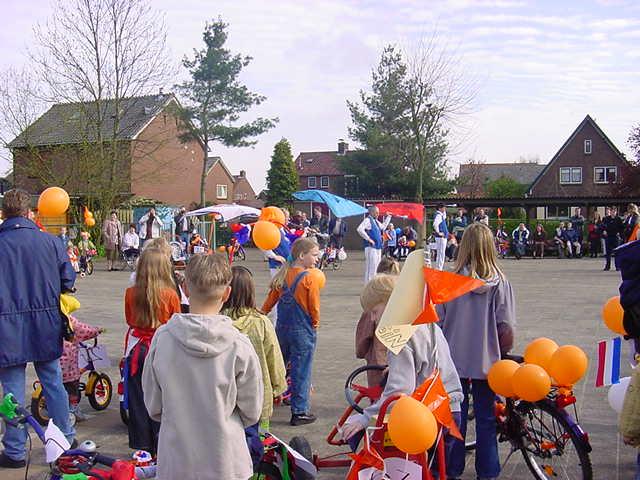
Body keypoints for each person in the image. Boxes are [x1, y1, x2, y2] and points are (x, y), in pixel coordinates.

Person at [142, 254, 263, 480]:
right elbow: (252, 410)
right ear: (227, 293)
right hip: (225, 461)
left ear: (185, 288)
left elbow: (153, 405)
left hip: (176, 462)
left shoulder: (163, 339)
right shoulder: (239, 346)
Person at [0, 189, 76, 468]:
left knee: (12, 389)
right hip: (45, 323)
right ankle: (65, 439)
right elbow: (68, 280)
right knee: (53, 382)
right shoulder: (51, 242)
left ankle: (16, 450)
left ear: (5, 213)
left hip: (6, 325)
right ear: (29, 212)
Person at [438, 222, 516, 480]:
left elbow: (437, 321)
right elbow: (505, 327)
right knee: (486, 418)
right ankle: (488, 471)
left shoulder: (448, 282)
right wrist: (502, 351)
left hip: (452, 359)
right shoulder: (500, 283)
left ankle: (452, 468)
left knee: (454, 418)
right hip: (487, 360)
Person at [124, 248, 181, 454]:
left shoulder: (131, 293)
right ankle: (162, 443)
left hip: (137, 349)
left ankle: (141, 445)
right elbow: (176, 321)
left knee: (138, 398)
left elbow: (129, 320)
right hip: (163, 348)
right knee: (164, 399)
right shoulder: (171, 295)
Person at [262, 238, 323, 426]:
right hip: (303, 330)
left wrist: (262, 314)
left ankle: (267, 402)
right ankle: (299, 410)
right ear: (302, 255)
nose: (317, 258)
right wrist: (315, 323)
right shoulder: (309, 277)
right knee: (301, 370)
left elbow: (270, 301)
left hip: (282, 328)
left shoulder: (282, 275)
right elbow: (314, 306)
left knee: (277, 367)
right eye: (314, 255)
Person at [222, 265, 287, 431]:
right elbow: (274, 357)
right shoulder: (261, 322)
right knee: (259, 442)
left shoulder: (217, 321)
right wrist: (278, 387)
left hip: (224, 399)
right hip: (258, 398)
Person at [59, 295, 102, 422]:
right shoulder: (69, 320)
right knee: (73, 386)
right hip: (68, 365)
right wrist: (96, 331)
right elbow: (84, 330)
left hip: (52, 361)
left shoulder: (49, 319)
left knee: (55, 385)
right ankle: (73, 409)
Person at [355, 274, 397, 387]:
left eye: (374, 312)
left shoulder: (411, 340)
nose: (372, 318)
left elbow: (362, 340)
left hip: (378, 365)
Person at [357, 206, 392, 283]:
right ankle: (368, 285)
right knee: (371, 268)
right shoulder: (367, 220)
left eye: (378, 212)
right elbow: (359, 229)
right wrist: (368, 238)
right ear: (371, 212)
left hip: (378, 247)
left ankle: (373, 284)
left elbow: (383, 227)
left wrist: (388, 217)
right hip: (371, 247)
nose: (378, 214)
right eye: (376, 212)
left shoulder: (375, 221)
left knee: (376, 267)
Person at [433, 203, 449, 270]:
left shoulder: (441, 215)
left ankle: (439, 268)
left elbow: (444, 215)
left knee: (441, 253)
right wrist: (438, 232)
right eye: (443, 207)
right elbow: (435, 224)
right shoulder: (439, 215)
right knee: (441, 253)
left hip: (442, 237)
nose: (444, 209)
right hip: (441, 237)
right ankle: (439, 268)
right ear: (440, 208)